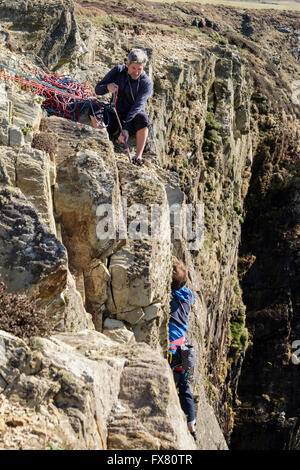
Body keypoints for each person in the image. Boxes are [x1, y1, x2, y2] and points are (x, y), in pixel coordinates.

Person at [90, 48, 153, 166]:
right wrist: (107, 87)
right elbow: (98, 90)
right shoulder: (118, 71)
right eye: (133, 68)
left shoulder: (146, 83)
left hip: (133, 118)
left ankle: (138, 156)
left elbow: (138, 106)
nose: (136, 72)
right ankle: (103, 141)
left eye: (140, 69)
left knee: (143, 118)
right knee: (93, 106)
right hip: (115, 113)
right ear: (127, 64)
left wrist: (126, 129)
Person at [168, 259, 197, 441]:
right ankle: (191, 423)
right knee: (184, 388)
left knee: (172, 385)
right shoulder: (188, 296)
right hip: (183, 350)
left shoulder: (171, 299)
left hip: (173, 353)